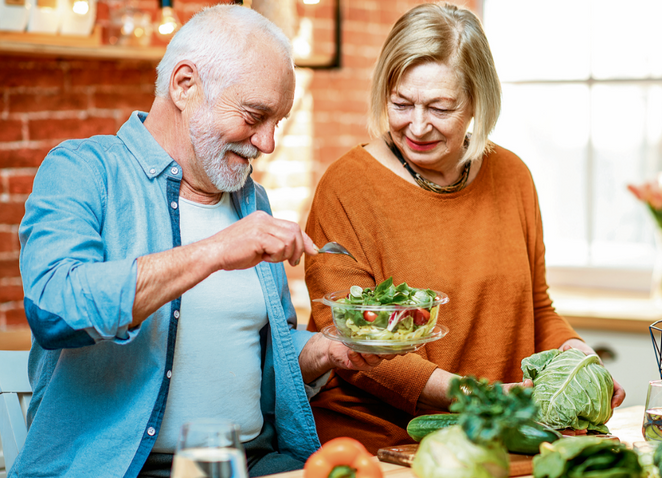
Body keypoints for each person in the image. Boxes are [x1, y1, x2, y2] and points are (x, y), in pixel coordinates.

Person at [14, 5, 387, 477]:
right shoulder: (84, 170)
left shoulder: (252, 202)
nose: (268, 142)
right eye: (255, 115)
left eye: (279, 121)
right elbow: (55, 308)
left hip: (255, 465)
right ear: (184, 84)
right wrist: (213, 252)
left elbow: (249, 356)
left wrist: (327, 351)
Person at [303, 2, 626, 453]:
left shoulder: (512, 176)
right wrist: (477, 395)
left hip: (497, 437)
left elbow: (537, 308)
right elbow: (351, 344)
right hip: (383, 444)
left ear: (477, 101)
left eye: (440, 107)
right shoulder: (346, 187)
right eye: (401, 103)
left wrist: (579, 359)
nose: (416, 125)